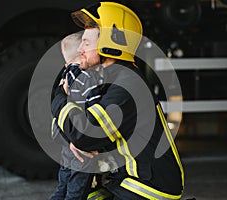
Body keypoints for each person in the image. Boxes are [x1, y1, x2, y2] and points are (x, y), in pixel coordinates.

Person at [53, 2, 185, 199]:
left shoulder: (127, 86)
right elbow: (74, 131)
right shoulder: (107, 79)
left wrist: (58, 97)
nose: (80, 48)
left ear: (111, 45)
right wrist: (73, 140)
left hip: (149, 187)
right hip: (125, 179)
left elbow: (85, 134)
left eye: (87, 43)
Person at [50, 32, 105, 200]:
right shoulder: (86, 76)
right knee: (77, 190)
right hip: (82, 147)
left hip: (66, 140)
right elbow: (97, 105)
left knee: (63, 184)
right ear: (82, 56)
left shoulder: (65, 76)